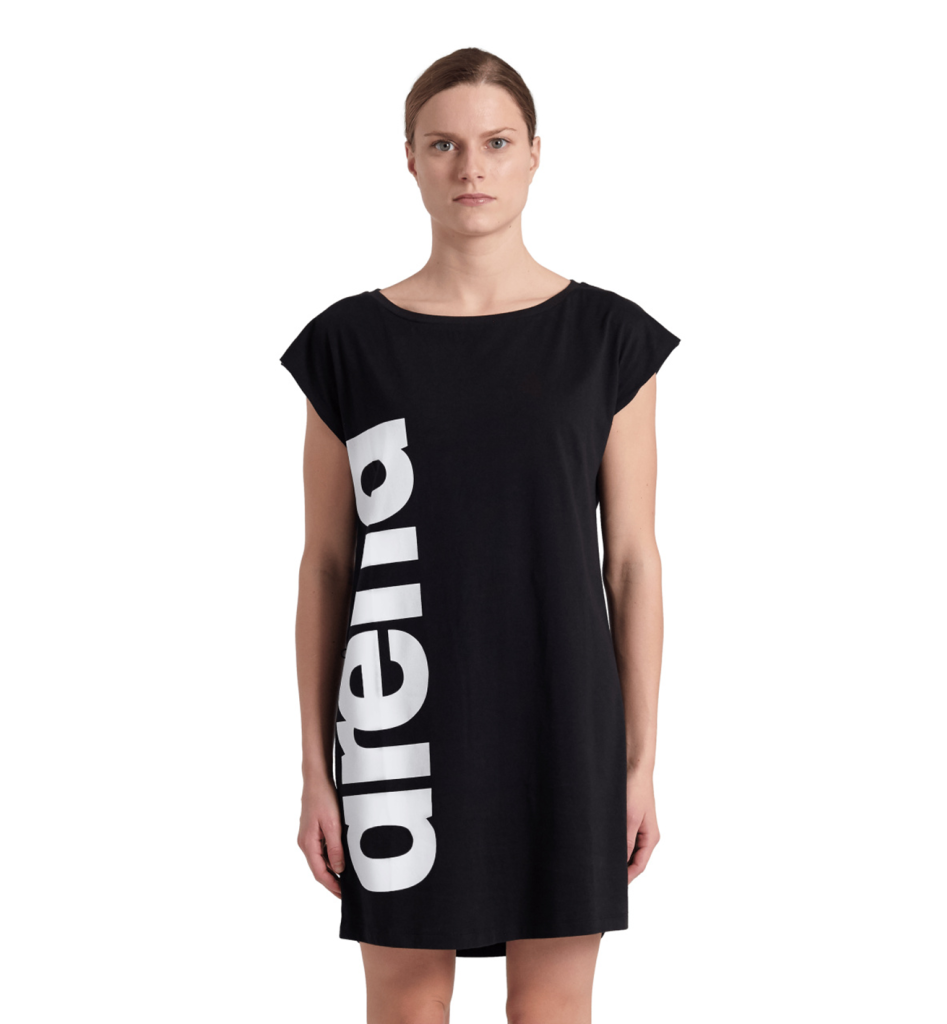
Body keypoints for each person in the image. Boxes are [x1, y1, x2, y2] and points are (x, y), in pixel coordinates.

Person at [280, 46, 680, 1024]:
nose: (471, 168)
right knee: (407, 1008)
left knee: (551, 1008)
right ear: (409, 159)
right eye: (444, 145)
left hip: (562, 719)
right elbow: (327, 564)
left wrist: (638, 761)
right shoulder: (347, 345)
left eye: (497, 143)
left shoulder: (608, 340)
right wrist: (315, 771)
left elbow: (632, 561)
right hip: (399, 723)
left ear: (535, 154)